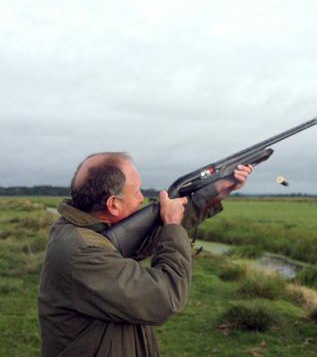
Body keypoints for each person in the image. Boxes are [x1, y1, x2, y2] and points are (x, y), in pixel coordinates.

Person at [38, 152, 252, 356]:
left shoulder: (80, 228)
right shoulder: (85, 252)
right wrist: (172, 227)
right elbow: (166, 298)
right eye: (137, 192)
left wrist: (212, 194)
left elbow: (142, 237)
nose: (142, 198)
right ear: (113, 205)